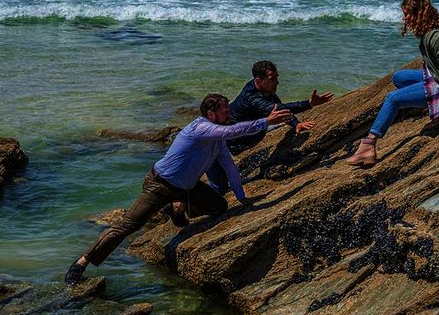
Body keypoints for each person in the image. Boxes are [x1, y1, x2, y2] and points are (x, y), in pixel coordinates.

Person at [64, 94, 292, 285]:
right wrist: (265, 121)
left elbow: (230, 167)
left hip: (188, 187)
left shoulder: (217, 139)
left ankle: (177, 208)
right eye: (224, 111)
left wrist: (242, 198)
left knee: (220, 206)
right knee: (128, 226)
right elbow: (231, 132)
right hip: (160, 185)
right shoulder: (202, 128)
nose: (228, 114)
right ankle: (83, 262)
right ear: (211, 114)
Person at [346, 0, 439, 166]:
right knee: (398, 78)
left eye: (407, 15)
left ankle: (369, 145)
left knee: (392, 99)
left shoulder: (434, 37)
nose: (404, 19)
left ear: (418, 13)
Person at [205, 60, 334, 194]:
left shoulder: (266, 92)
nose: (277, 82)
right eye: (272, 79)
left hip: (236, 141)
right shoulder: (251, 97)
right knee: (219, 189)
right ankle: (186, 202)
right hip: (221, 143)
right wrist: (308, 104)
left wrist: (296, 123)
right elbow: (278, 110)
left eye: (277, 78)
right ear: (259, 81)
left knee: (224, 185)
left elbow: (278, 108)